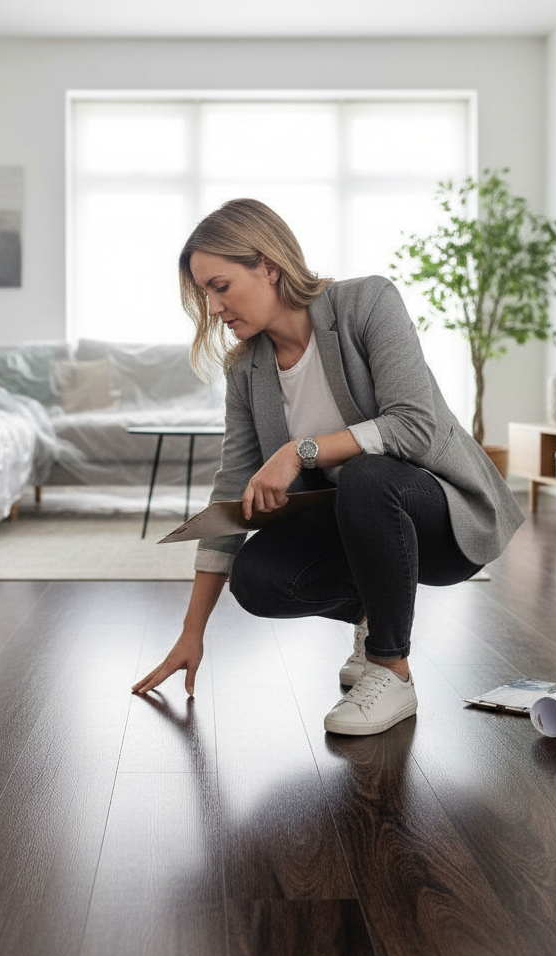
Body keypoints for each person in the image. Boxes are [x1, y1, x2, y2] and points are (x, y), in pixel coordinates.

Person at [131, 198, 525, 736]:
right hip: (356, 525)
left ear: (268, 265)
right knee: (256, 576)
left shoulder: (366, 303)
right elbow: (233, 483)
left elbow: (414, 426)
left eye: (221, 285)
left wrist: (298, 451)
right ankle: (372, 619)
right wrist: (191, 631)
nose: (215, 306)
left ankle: (393, 669)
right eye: (205, 293)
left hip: (442, 518)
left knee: (366, 473)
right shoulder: (246, 367)